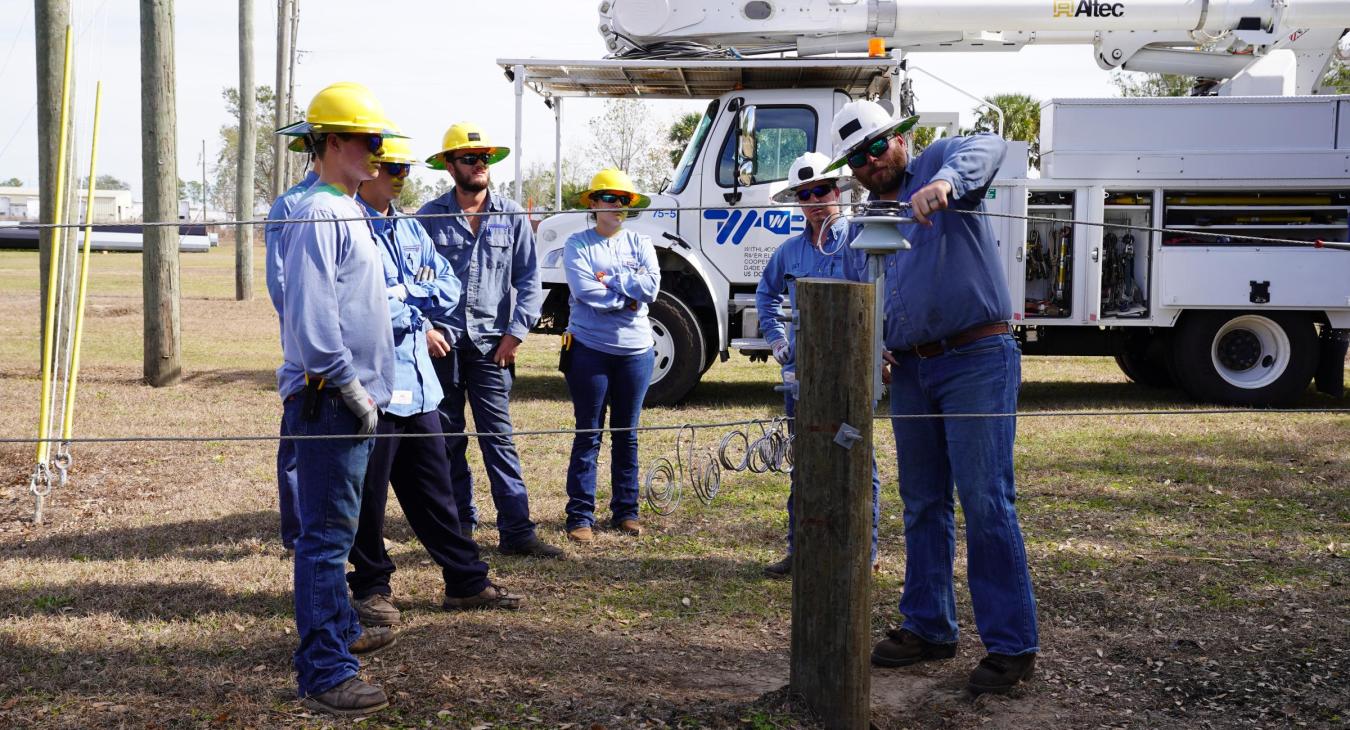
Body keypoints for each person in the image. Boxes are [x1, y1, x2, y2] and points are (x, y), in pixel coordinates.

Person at [831, 100, 1039, 694]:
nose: (870, 166)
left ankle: (1010, 645)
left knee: (984, 499)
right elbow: (858, 289)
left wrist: (948, 183)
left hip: (976, 356)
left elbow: (990, 147)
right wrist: (878, 345)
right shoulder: (870, 220)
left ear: (902, 139)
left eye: (877, 148)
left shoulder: (941, 162)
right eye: (857, 160)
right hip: (915, 371)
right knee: (923, 502)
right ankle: (928, 625)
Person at [347, 135, 523, 627]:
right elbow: (362, 299)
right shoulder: (348, 224)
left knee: (435, 487)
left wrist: (406, 295)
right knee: (369, 495)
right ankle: (371, 587)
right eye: (393, 168)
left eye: (405, 169)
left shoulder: (408, 227)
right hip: (375, 382)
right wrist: (411, 304)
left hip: (420, 382)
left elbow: (448, 288)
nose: (401, 176)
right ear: (370, 170)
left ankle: (464, 581)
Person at [275, 81, 401, 717]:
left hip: (346, 398)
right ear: (328, 142)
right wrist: (347, 384)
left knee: (335, 534)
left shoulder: (348, 208)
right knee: (324, 541)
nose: (374, 149)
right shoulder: (322, 212)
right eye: (361, 138)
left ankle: (337, 641)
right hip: (329, 398)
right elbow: (311, 313)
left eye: (377, 139)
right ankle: (326, 671)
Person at [416, 122, 562, 558]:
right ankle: (459, 527)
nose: (480, 165)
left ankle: (517, 531)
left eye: (484, 159)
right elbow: (412, 280)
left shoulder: (512, 215)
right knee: (447, 440)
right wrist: (426, 328)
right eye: (469, 159)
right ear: (449, 166)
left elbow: (529, 280)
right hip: (443, 347)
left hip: (492, 348)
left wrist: (516, 334)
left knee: (498, 438)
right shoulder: (428, 217)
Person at [754, 151, 880, 578]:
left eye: (821, 190)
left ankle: (863, 552)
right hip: (801, 376)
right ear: (798, 202)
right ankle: (802, 548)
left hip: (851, 374)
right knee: (803, 458)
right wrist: (777, 340)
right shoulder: (788, 252)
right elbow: (765, 296)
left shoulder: (861, 240)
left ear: (838, 192)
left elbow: (881, 296)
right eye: (805, 194)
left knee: (856, 457)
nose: (815, 200)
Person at [558, 169, 660, 544]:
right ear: (593, 203)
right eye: (608, 198)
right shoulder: (577, 245)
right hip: (588, 351)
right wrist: (627, 293)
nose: (616, 206)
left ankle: (626, 512)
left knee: (626, 433)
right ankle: (580, 515)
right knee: (588, 432)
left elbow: (651, 288)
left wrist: (611, 281)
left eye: (624, 200)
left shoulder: (641, 242)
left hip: (637, 352)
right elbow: (587, 294)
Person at [263, 137, 320, 555]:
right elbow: (281, 280)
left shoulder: (352, 201)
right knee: (299, 434)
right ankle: (298, 532)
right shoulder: (291, 204)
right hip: (305, 342)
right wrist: (303, 332)